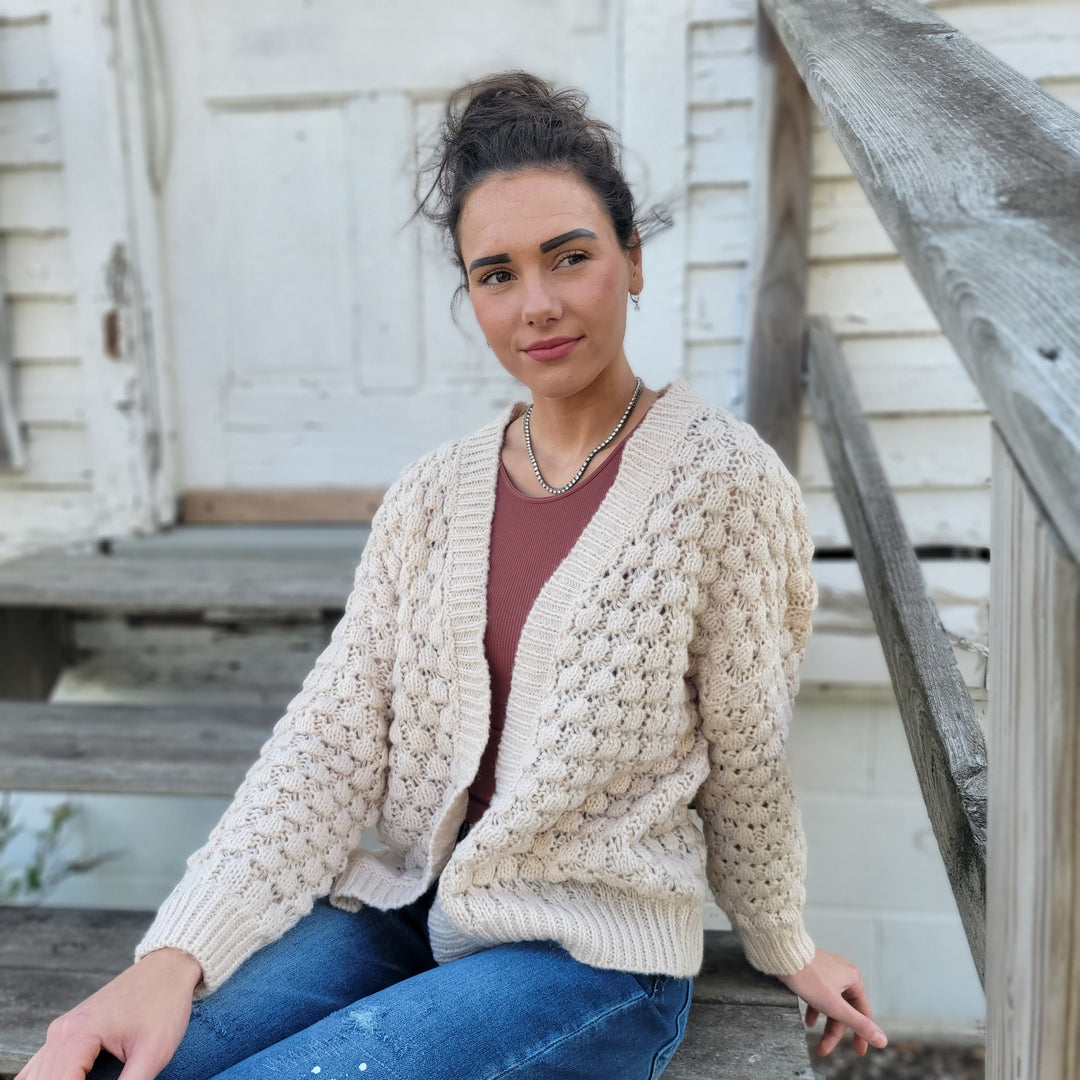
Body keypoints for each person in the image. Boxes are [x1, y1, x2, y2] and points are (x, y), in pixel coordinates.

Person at [17, 71, 888, 1080]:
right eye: (497, 274)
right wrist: (175, 955)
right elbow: (330, 741)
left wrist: (785, 945)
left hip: (585, 958)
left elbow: (748, 761)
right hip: (408, 907)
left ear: (633, 258)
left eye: (571, 257)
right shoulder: (432, 495)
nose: (540, 305)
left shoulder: (727, 486)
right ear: (469, 293)